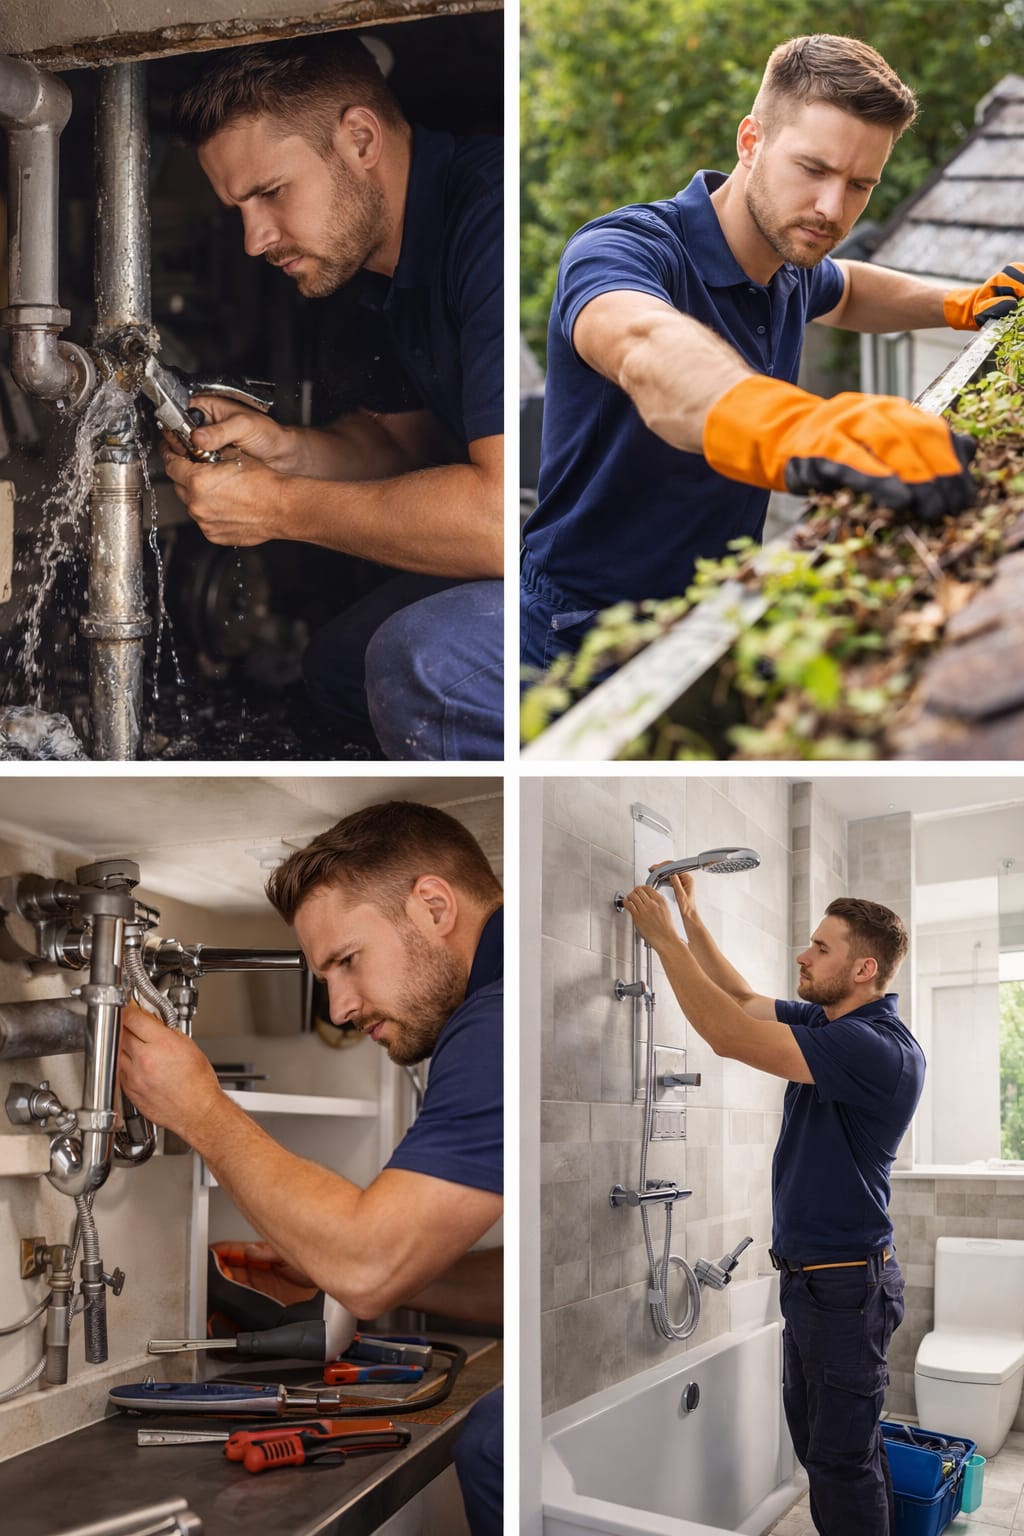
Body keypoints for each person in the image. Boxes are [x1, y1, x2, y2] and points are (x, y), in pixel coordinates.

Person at [521, 32, 1024, 674]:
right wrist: (794, 426)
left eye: (860, 185)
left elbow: (850, 290)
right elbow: (643, 345)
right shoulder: (624, 250)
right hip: (577, 626)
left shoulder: (789, 262)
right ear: (751, 142)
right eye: (814, 170)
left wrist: (959, 304)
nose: (831, 209)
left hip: (713, 603)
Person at [118, 800, 503, 1533]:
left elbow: (369, 1264)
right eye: (323, 977)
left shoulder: (493, 1022)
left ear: (432, 906)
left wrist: (200, 1109)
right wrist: (337, 1270)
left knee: (492, 1440)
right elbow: (392, 1267)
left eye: (347, 961)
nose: (341, 1006)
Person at [163, 35, 503, 759]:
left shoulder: (495, 224)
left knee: (420, 665)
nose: (254, 239)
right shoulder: (369, 256)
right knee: (338, 665)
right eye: (238, 208)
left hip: (618, 569)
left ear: (359, 138)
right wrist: (287, 454)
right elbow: (400, 446)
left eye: (271, 193)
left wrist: (277, 509)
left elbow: (501, 524)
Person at [622, 871, 924, 1536]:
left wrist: (662, 939)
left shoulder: (874, 1049)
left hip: (845, 1289)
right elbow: (739, 999)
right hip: (818, 1285)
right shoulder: (833, 1020)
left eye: (820, 947)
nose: (802, 955)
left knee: (841, 1464)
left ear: (863, 967)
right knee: (833, 1454)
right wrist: (691, 921)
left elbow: (729, 1034)